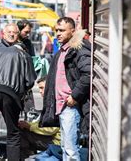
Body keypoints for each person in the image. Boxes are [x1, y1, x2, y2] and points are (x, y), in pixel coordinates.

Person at [0, 23, 35, 161]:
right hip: (10, 93)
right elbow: (30, 80)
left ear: (18, 34)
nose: (12, 34)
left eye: (14, 32)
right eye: (9, 32)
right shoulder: (22, 52)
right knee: (13, 133)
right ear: (3, 33)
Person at [40, 17, 91, 161]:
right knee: (65, 148)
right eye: (57, 30)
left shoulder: (78, 50)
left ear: (73, 31)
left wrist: (74, 96)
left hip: (70, 106)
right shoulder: (63, 51)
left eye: (62, 30)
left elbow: (88, 74)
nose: (58, 33)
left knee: (70, 151)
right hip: (61, 105)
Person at [19, 76, 60, 159]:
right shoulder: (51, 101)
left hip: (56, 143)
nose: (40, 91)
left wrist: (30, 126)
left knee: (20, 134)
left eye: (42, 88)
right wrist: (28, 124)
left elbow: (51, 128)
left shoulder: (55, 103)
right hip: (53, 139)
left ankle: (27, 157)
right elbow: (44, 123)